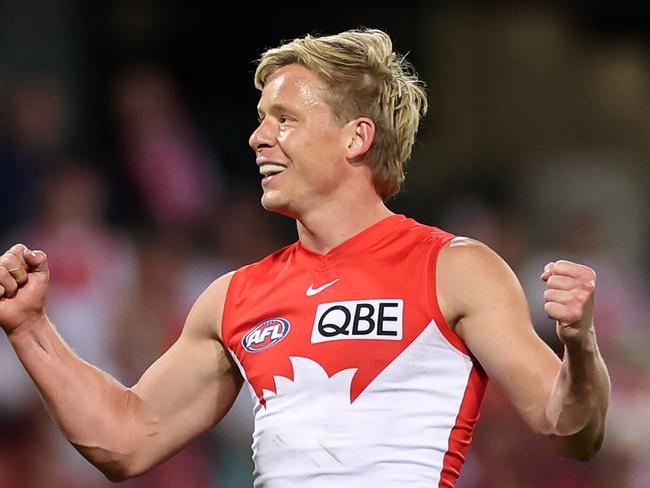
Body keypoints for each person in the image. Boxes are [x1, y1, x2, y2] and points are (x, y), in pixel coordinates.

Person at [0, 28, 610, 487]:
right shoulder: (233, 296)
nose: (257, 137)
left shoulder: (453, 269)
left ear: (356, 137)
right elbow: (124, 438)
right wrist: (29, 328)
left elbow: (569, 430)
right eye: (262, 119)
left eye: (284, 119)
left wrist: (579, 346)